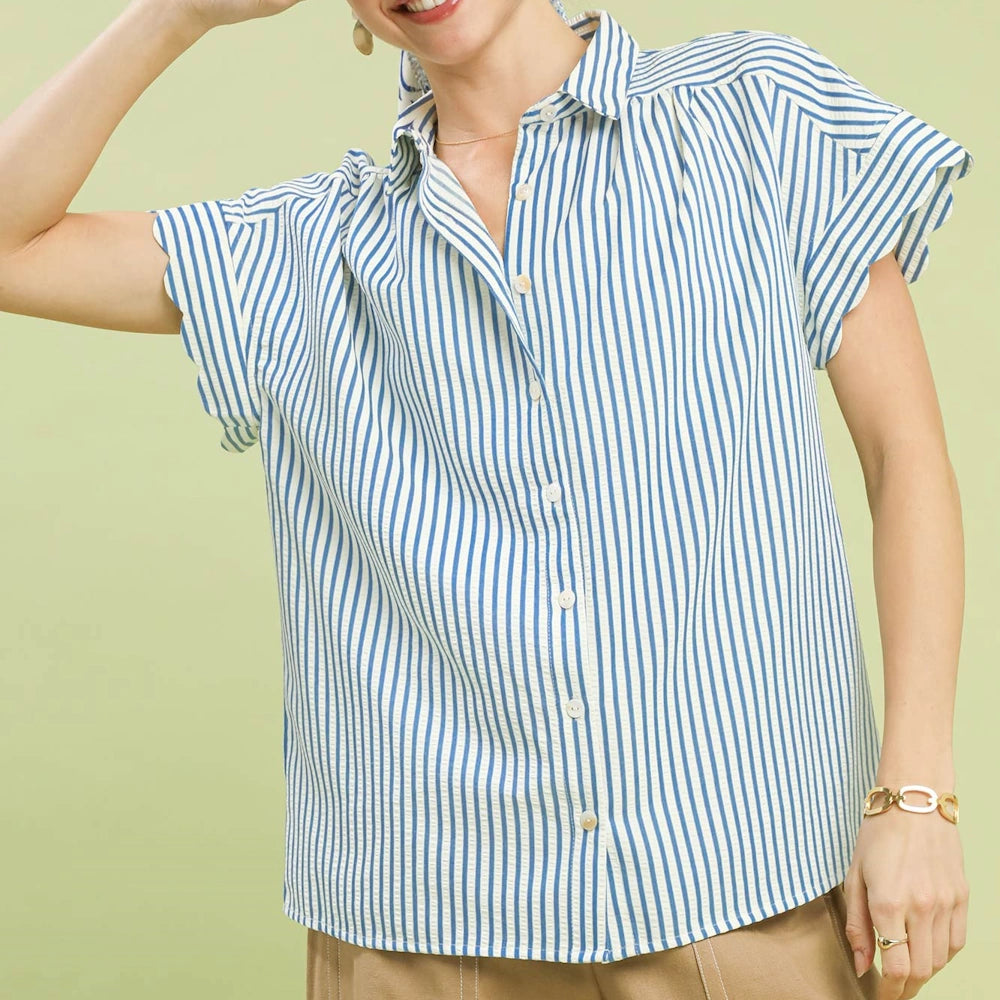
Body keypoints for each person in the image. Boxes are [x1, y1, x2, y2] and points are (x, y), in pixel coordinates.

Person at [0, 1, 973, 997]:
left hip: (752, 904)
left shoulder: (755, 116)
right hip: (425, 945)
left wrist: (915, 795)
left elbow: (904, 458)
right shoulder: (302, 252)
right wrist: (180, 14)